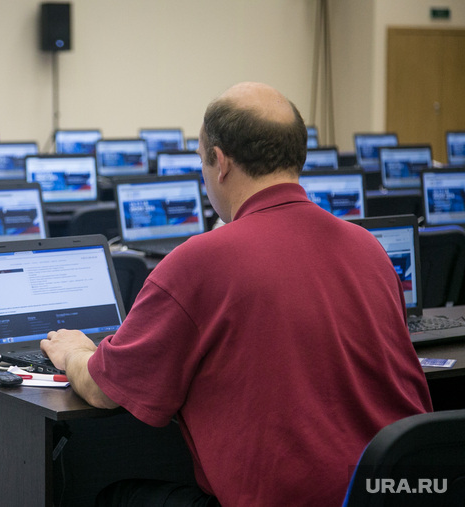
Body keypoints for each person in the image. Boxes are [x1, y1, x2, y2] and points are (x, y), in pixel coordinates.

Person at [40, 82, 432, 506]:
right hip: (401, 493)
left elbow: (104, 389)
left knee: (110, 495)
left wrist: (75, 353)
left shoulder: (200, 261)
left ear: (220, 163)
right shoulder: (368, 248)